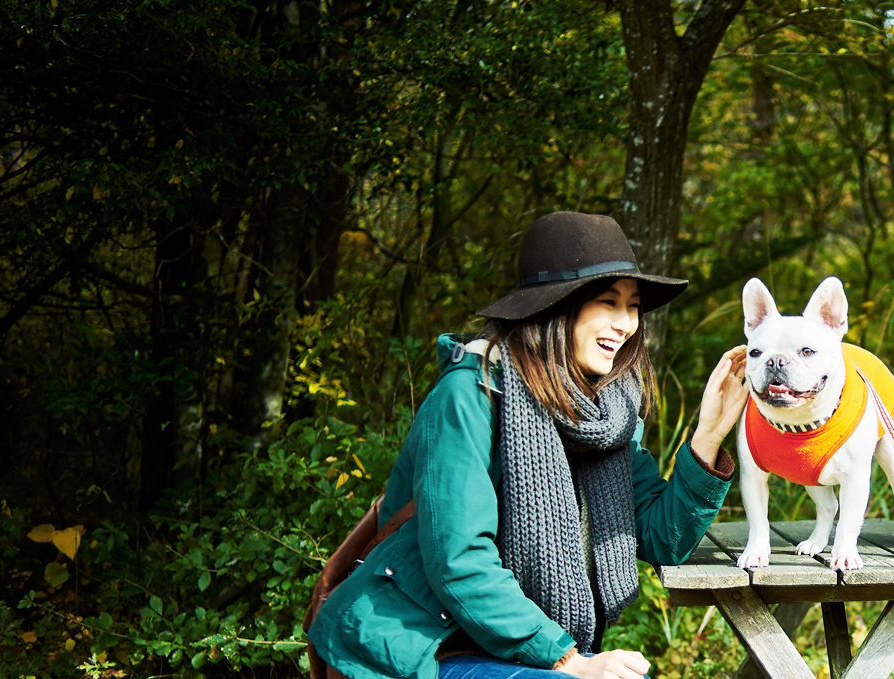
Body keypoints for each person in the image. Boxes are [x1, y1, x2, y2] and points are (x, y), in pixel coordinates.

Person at [308, 212, 749, 679]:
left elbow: (662, 538)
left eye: (633, 307)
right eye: (608, 302)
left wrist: (707, 437)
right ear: (556, 306)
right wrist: (569, 661)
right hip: (426, 646)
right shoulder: (471, 395)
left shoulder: (608, 413)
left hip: (519, 652)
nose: (626, 324)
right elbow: (461, 561)